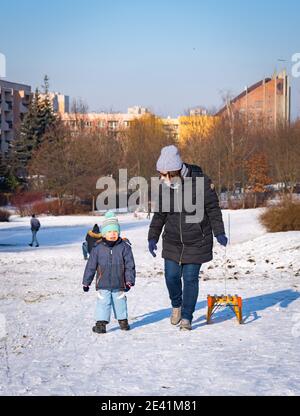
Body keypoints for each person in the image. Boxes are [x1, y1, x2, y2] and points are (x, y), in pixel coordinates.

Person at [148, 145, 228, 331]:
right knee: (171, 276)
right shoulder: (165, 187)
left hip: (197, 240)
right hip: (173, 240)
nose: (162, 178)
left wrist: (219, 232)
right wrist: (153, 236)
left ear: (175, 171)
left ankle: (186, 317)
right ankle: (176, 305)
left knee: (190, 278)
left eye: (165, 174)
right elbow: (160, 214)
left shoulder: (200, 182)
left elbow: (213, 209)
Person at [82, 211, 136, 334]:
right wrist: (86, 282)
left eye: (115, 232)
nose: (112, 234)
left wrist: (129, 280)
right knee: (103, 302)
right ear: (104, 233)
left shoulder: (124, 247)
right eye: (109, 232)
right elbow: (91, 266)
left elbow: (130, 265)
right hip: (103, 282)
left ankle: (123, 321)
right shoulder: (98, 248)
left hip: (119, 282)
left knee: (120, 301)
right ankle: (101, 324)